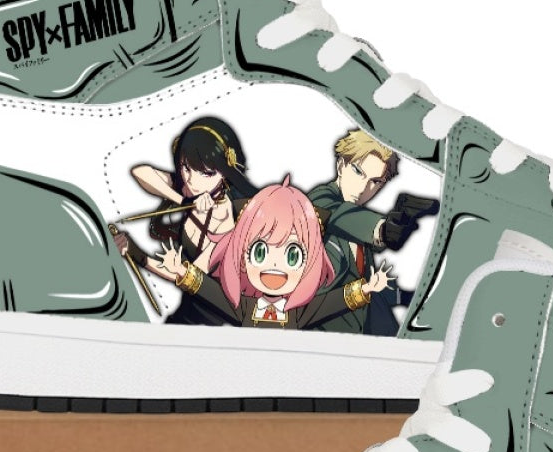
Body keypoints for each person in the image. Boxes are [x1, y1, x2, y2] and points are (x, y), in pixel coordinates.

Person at [145, 177, 391, 329]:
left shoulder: (299, 313)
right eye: (260, 252)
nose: (274, 265)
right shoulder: (244, 307)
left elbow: (331, 303)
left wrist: (366, 289)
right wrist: (182, 272)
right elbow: (209, 292)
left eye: (292, 256)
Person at [122, 117, 257, 324]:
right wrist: (184, 200)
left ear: (225, 172)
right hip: (184, 314)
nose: (192, 180)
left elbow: (187, 274)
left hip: (210, 319)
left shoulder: (230, 218)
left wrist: (137, 254)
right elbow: (140, 172)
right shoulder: (188, 190)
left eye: (206, 173)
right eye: (186, 167)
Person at [308, 129, 433, 336]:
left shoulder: (355, 223)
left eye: (375, 181)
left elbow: (364, 280)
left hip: (362, 329)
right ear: (341, 165)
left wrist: (405, 297)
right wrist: (386, 228)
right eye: (358, 172)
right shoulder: (320, 201)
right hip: (325, 331)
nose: (363, 188)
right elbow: (341, 217)